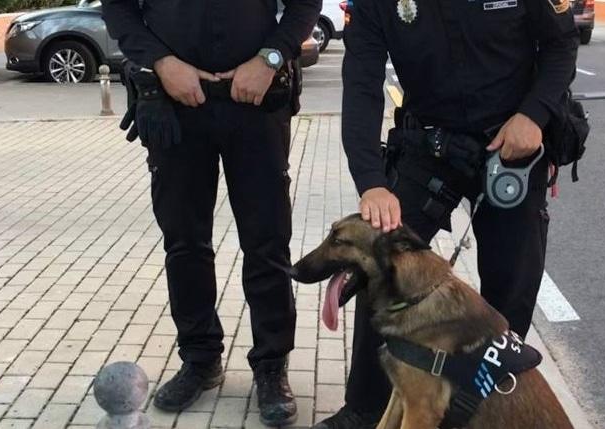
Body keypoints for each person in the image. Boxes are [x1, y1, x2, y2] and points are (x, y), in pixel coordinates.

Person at [315, 0, 580, 427]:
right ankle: (364, 410)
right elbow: (362, 81)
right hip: (430, 146)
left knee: (511, 289)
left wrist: (534, 115)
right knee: (377, 268)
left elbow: (561, 43)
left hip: (510, 145)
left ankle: (479, 410)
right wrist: (372, 183)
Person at [101, 0, 320, 425]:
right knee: (184, 242)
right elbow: (119, 9)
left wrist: (270, 58)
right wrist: (162, 63)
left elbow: (305, 5)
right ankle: (200, 359)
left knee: (268, 241)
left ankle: (272, 364)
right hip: (175, 104)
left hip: (257, 100)